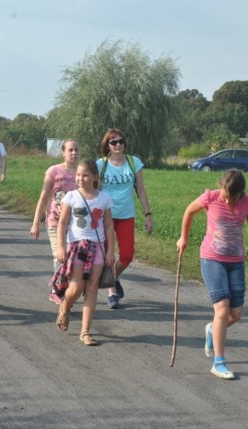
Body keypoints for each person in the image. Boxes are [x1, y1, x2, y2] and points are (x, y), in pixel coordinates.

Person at [176, 169, 248, 380]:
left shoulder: (247, 203)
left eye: (230, 196)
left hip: (236, 262)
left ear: (239, 193)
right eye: (224, 192)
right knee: (222, 310)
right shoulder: (211, 197)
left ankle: (212, 330)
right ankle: (219, 362)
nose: (225, 198)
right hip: (212, 258)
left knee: (236, 314)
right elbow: (189, 211)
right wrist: (183, 238)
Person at [52, 159, 115, 346]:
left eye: (85, 175)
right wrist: (61, 247)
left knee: (92, 288)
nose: (81, 178)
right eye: (78, 175)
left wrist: (111, 251)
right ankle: (65, 305)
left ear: (95, 177)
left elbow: (109, 226)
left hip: (98, 247)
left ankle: (85, 331)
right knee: (76, 287)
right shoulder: (70, 196)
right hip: (77, 246)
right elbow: (62, 223)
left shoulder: (104, 198)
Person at [96, 129, 153, 309]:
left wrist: (148, 214)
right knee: (109, 255)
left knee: (127, 255)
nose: (118, 145)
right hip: (106, 215)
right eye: (113, 142)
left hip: (127, 214)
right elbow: (94, 190)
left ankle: (112, 277)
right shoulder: (100, 164)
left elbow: (141, 189)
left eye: (121, 142)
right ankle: (112, 293)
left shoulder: (133, 162)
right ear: (107, 145)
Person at [30, 139, 79, 305]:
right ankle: (55, 289)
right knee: (60, 254)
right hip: (55, 221)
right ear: (63, 152)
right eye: (70, 150)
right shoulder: (54, 171)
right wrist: (36, 222)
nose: (73, 153)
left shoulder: (82, 172)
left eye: (76, 150)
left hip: (76, 224)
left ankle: (67, 286)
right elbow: (44, 197)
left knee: (74, 257)